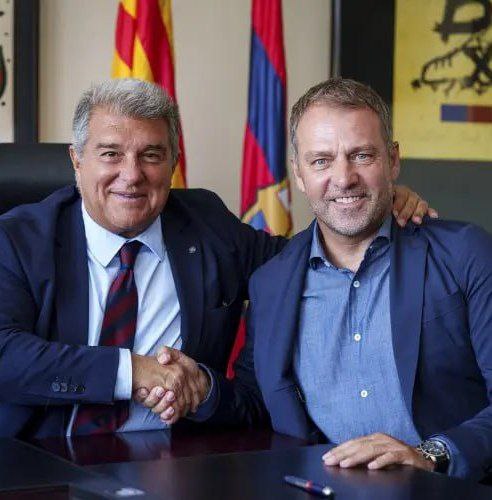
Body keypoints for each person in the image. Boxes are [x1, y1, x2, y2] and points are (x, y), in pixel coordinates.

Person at [0, 78, 430, 439]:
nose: (131, 175)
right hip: (42, 460)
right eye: (110, 153)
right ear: (77, 161)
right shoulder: (19, 240)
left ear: (174, 162)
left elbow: (305, 259)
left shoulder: (205, 225)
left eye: (152, 155)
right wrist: (132, 371)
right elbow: (5, 353)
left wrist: (370, 205)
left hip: (177, 462)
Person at [142, 79, 492, 480]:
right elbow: (257, 403)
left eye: (362, 155)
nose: (344, 178)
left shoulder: (466, 254)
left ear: (393, 161)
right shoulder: (271, 283)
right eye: (321, 161)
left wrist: (431, 455)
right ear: (299, 173)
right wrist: (201, 388)